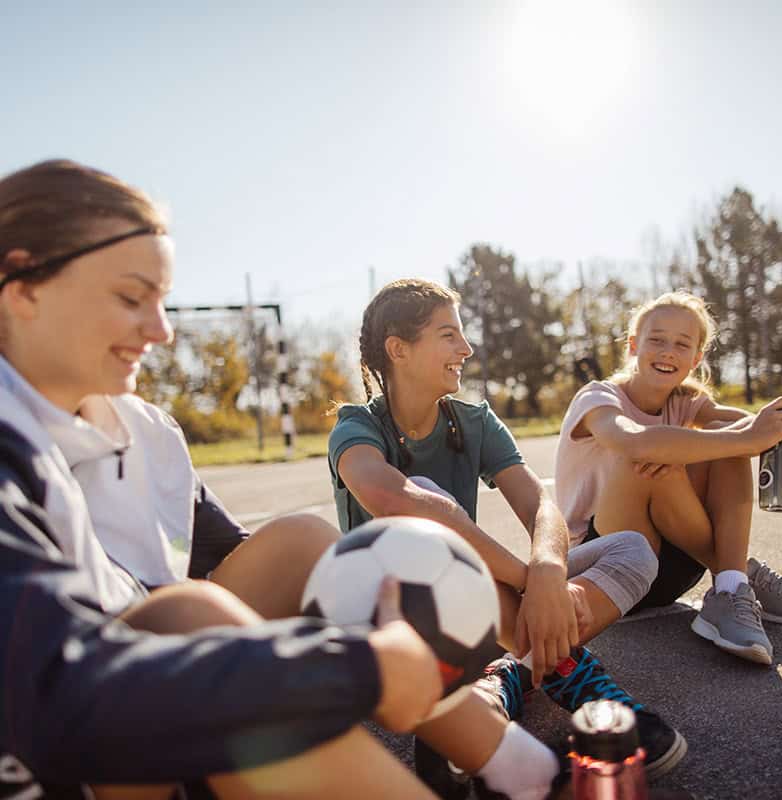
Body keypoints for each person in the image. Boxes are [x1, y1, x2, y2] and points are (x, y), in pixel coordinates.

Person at [0, 159, 460, 800]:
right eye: (131, 298)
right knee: (190, 617)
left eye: (161, 302)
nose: (161, 331)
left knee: (286, 553)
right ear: (21, 285)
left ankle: (494, 745)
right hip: (64, 751)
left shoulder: (131, 428)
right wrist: (355, 667)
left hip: (121, 719)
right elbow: (56, 692)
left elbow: (233, 555)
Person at [327, 278, 688, 793]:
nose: (466, 349)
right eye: (448, 334)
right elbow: (395, 500)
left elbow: (540, 503)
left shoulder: (475, 421)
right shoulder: (355, 426)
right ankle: (568, 670)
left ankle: (507, 678)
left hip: (477, 610)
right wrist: (535, 585)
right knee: (426, 499)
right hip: (389, 619)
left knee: (631, 549)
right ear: (398, 348)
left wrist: (547, 570)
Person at [554, 290, 782, 666]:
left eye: (682, 344)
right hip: (607, 565)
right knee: (649, 460)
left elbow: (749, 429)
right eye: (656, 340)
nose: (668, 351)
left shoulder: (688, 401)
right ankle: (740, 570)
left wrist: (781, 426)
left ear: (696, 357)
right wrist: (745, 436)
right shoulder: (598, 398)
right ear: (634, 345)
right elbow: (633, 442)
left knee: (720, 442)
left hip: (677, 567)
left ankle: (730, 589)